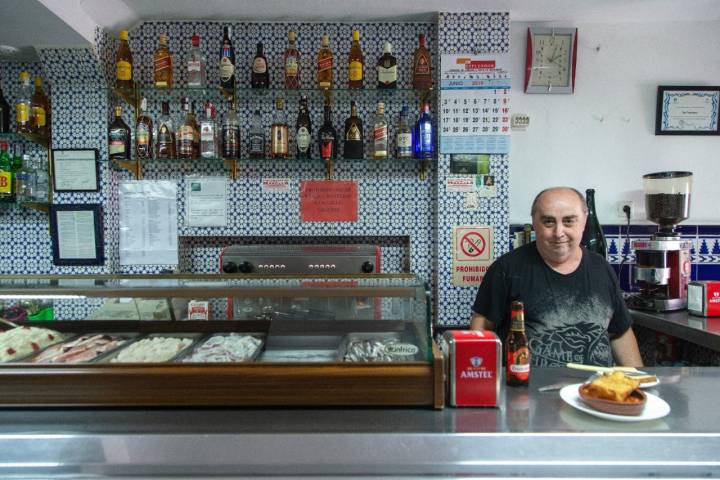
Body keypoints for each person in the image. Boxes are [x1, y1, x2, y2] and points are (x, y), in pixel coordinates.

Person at [470, 187, 642, 367]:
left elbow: (620, 333)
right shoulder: (506, 269)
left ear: (584, 222)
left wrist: (639, 382)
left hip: (596, 390)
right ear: (534, 223)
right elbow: (481, 328)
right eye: (549, 222)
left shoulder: (601, 268)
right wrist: (483, 381)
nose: (559, 232)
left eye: (568, 221)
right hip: (526, 390)